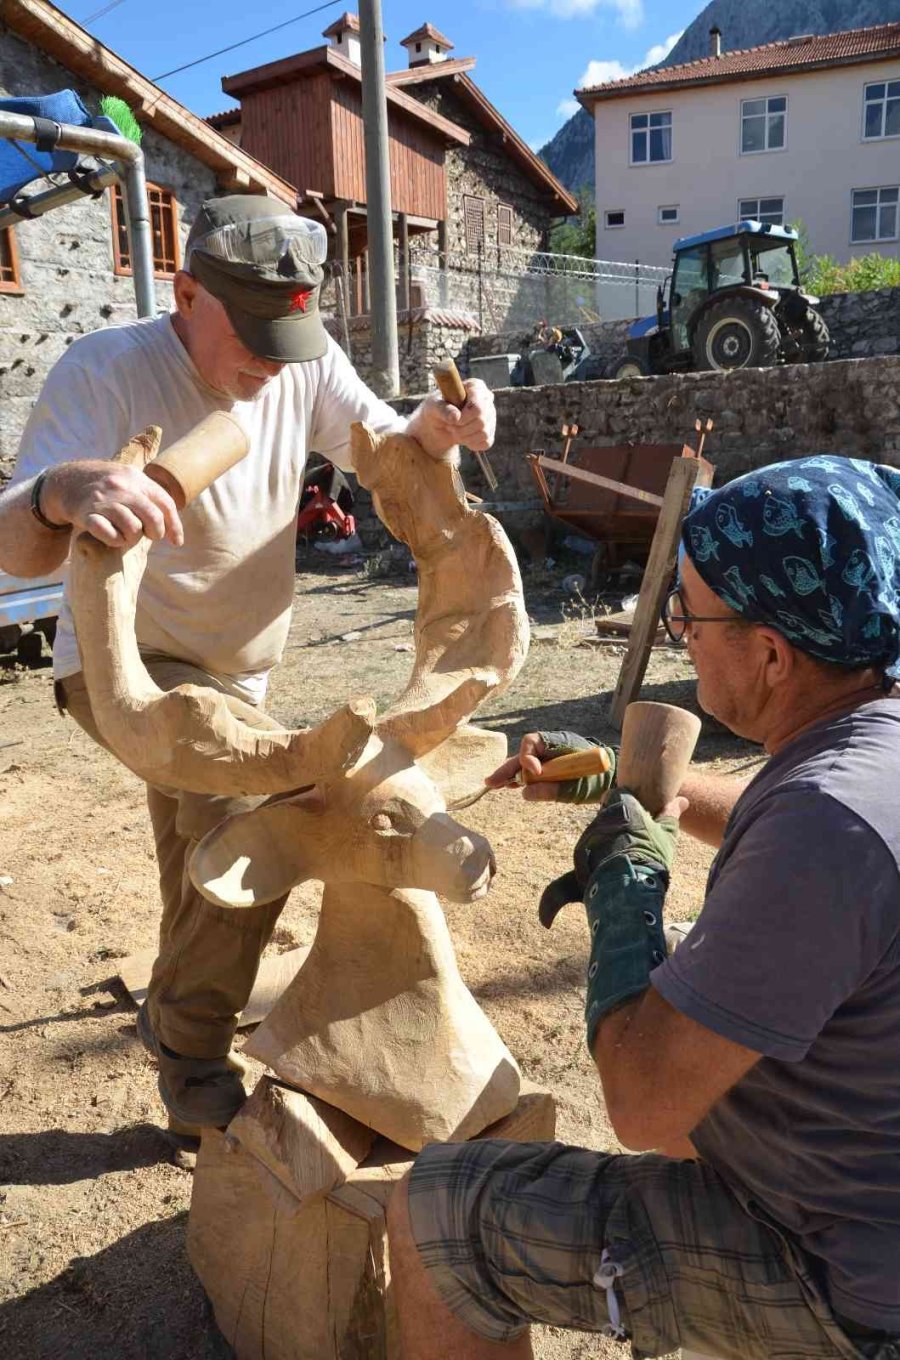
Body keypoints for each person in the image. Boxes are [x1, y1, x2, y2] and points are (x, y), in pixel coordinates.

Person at [0, 194, 496, 1132]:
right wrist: (70, 492)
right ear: (187, 293)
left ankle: (182, 995)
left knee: (203, 865)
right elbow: (13, 548)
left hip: (240, 670)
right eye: (256, 337)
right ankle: (191, 1058)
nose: (274, 366)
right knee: (265, 812)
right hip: (118, 666)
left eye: (291, 337)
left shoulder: (296, 363)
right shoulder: (103, 370)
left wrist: (437, 429)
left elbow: (382, 449)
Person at [387, 455, 900, 1360]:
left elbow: (645, 1101)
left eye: (690, 615)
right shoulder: (866, 757)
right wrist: (630, 786)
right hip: (868, 1180)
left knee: (440, 1212)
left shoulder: (823, 827)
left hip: (844, 1273)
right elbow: (794, 840)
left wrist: (626, 878)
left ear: (774, 653)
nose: (678, 633)